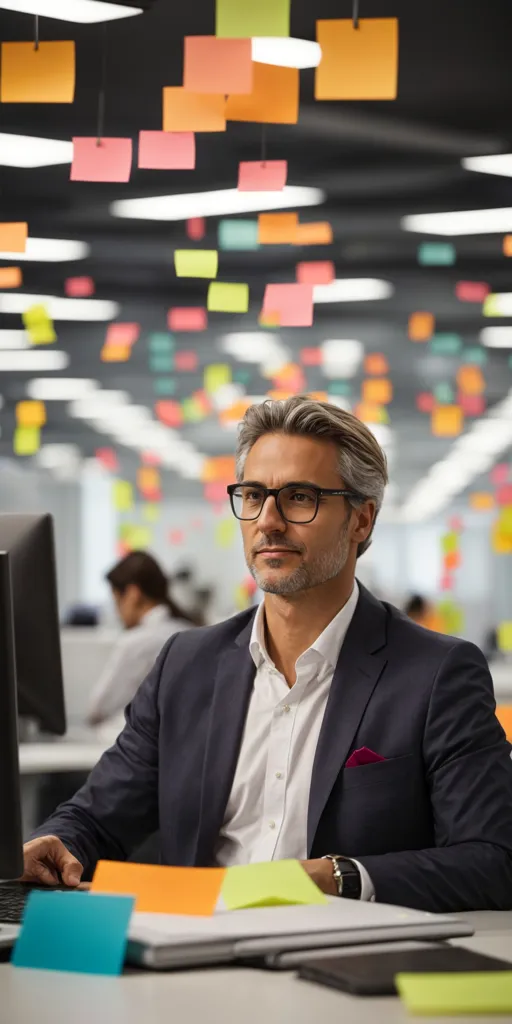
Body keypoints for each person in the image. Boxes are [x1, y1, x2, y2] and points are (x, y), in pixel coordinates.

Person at [24, 397, 512, 912]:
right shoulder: (185, 665)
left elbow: (494, 859)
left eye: (299, 497)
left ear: (361, 521)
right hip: (189, 953)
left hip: (337, 960)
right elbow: (98, 817)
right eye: (253, 495)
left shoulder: (437, 674)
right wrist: (58, 841)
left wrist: (336, 876)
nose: (269, 521)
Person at [87, 551, 197, 727]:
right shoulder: (190, 630)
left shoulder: (137, 642)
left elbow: (98, 710)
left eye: (117, 601)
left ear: (132, 594)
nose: (118, 613)